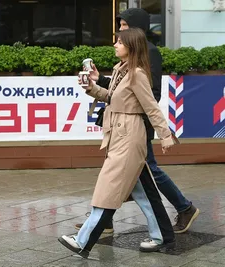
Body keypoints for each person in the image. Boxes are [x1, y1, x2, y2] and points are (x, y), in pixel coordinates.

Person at [75, 8, 199, 234]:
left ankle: (182, 209)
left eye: (124, 26)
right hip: (124, 126)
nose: (120, 32)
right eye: (121, 26)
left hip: (137, 126)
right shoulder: (127, 58)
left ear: (137, 29)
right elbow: (122, 86)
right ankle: (105, 220)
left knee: (145, 172)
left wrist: (158, 130)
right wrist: (98, 81)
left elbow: (149, 93)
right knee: (124, 173)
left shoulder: (150, 52)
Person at [58, 28, 177, 258]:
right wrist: (92, 86)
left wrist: (165, 135)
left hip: (129, 138)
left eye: (120, 42)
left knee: (108, 189)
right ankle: (163, 235)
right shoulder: (121, 70)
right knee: (144, 192)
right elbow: (112, 98)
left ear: (131, 47)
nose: (115, 44)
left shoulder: (137, 74)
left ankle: (82, 241)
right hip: (120, 136)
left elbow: (151, 106)